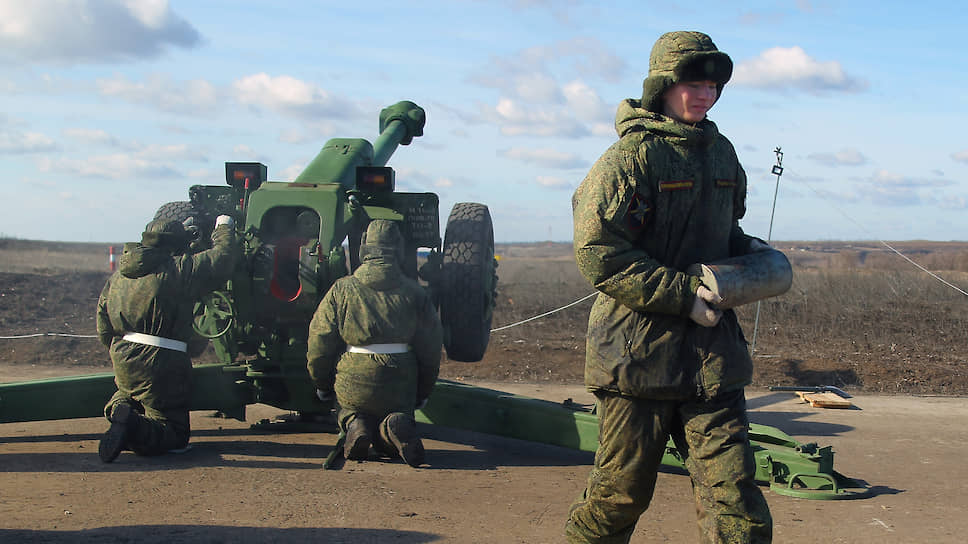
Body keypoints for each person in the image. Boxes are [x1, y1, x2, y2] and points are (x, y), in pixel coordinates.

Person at [566, 31, 773, 543]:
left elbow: (725, 235)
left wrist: (753, 258)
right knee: (619, 497)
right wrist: (683, 295)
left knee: (735, 500)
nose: (704, 94)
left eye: (713, 85)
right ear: (663, 85)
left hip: (711, 358)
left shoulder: (722, 155)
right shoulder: (630, 159)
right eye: (692, 83)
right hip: (638, 358)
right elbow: (600, 251)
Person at [96, 215, 238, 463]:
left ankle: (119, 409)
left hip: (123, 351)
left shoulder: (119, 276)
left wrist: (118, 349)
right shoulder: (178, 269)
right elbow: (223, 258)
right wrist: (224, 227)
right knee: (173, 432)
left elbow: (103, 322)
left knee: (130, 393)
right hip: (162, 358)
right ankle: (133, 425)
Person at [306, 219, 442, 467]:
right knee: (398, 415)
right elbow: (431, 349)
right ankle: (394, 424)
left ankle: (355, 424)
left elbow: (320, 341)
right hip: (400, 378)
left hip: (354, 375)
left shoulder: (342, 290)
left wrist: (322, 383)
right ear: (398, 250)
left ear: (364, 249)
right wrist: (422, 391)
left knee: (349, 409)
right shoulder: (415, 293)